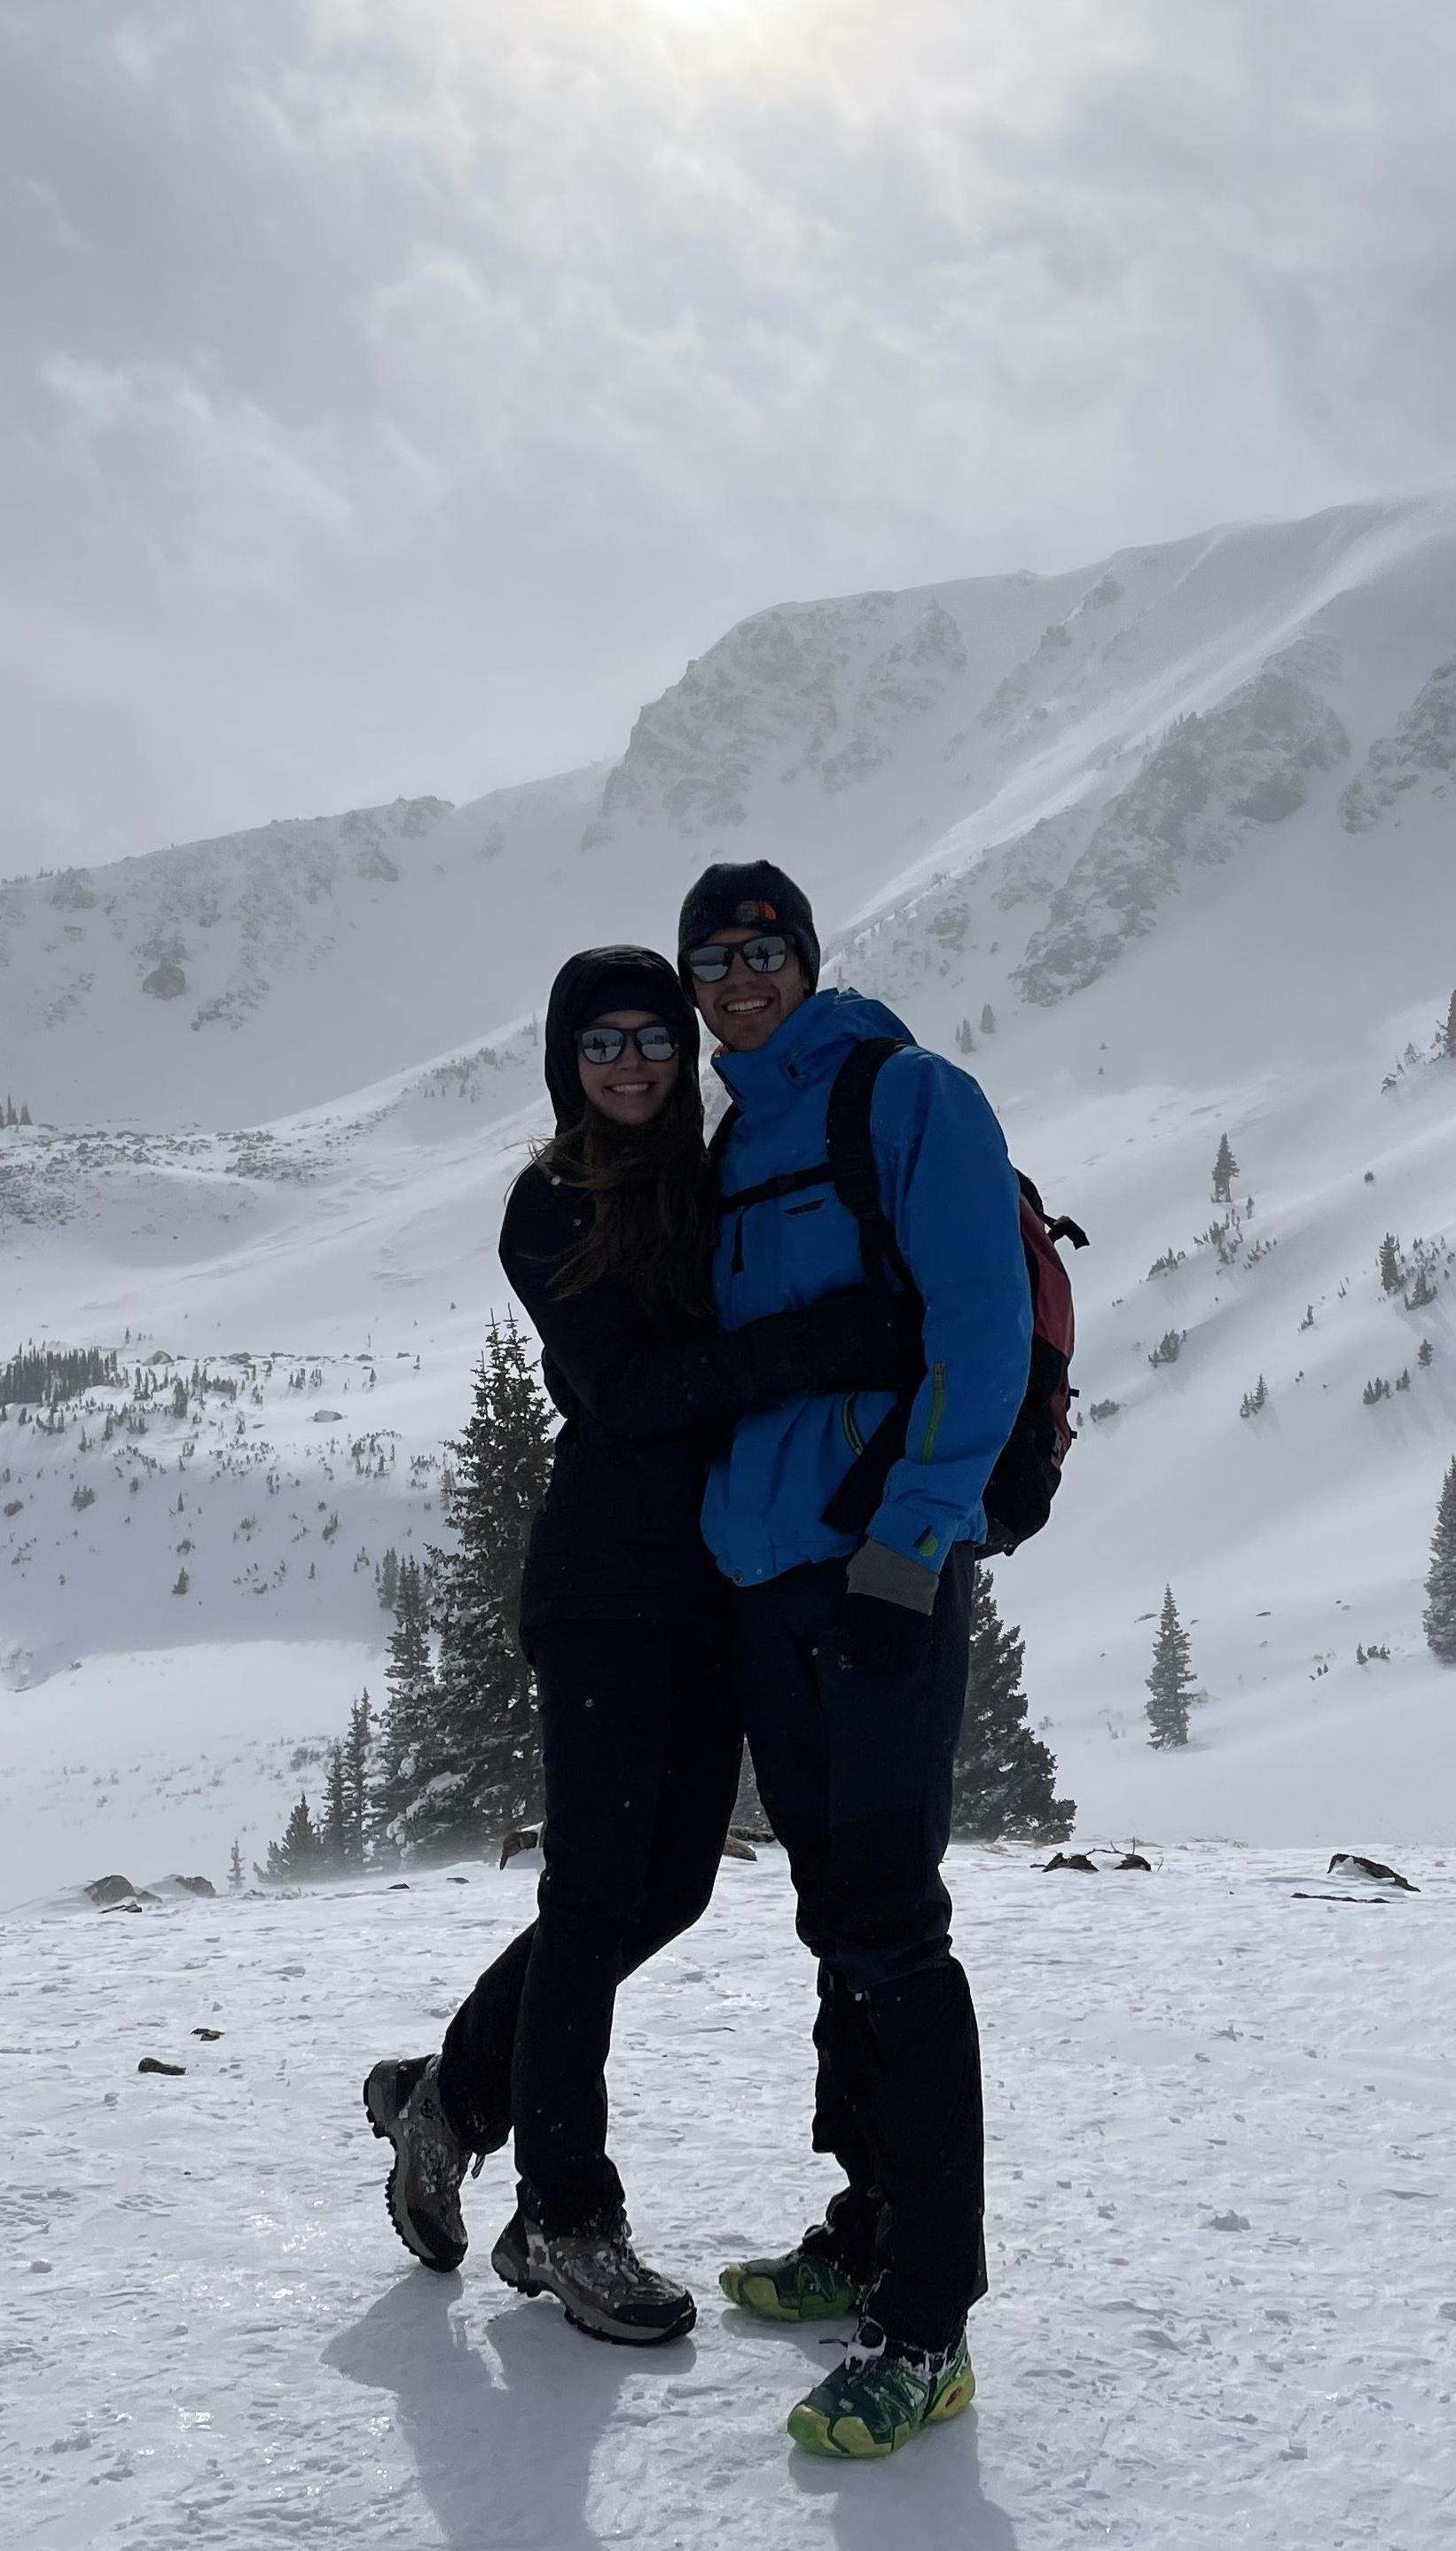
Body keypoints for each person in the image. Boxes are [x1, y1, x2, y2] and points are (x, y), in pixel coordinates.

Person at [364, 945, 915, 2344]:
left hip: (715, 1586)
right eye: (601, 1041)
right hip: (606, 1587)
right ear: (568, 1061)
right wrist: (822, 1346)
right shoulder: (549, 1206)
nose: (630, 1062)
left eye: (653, 1037)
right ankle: (564, 2212)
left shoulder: (722, 1176)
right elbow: (627, 1390)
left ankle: (458, 2091)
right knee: (601, 1890)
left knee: (663, 1891)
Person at [681, 859, 1032, 2460]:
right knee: (838, 1921)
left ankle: (930, 2322)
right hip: (769, 1581)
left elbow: (980, 1322)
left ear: (808, 959)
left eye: (764, 950)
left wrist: (919, 1534)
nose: (739, 978)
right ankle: (866, 2228)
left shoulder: (907, 1094)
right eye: (714, 960)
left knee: (894, 1928)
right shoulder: (737, 1135)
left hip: (881, 1571)